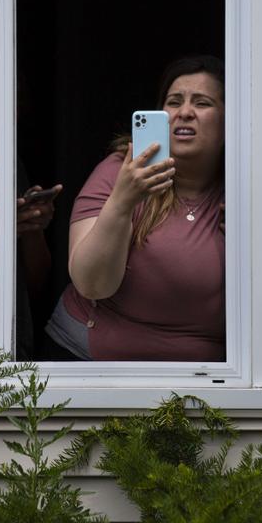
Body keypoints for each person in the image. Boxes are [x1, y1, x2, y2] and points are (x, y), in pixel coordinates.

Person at [45, 55, 225, 361]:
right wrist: (122, 200)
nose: (184, 112)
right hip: (86, 361)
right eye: (174, 101)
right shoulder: (119, 170)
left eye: (202, 103)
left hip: (208, 381)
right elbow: (91, 284)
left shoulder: (247, 188)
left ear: (228, 119)